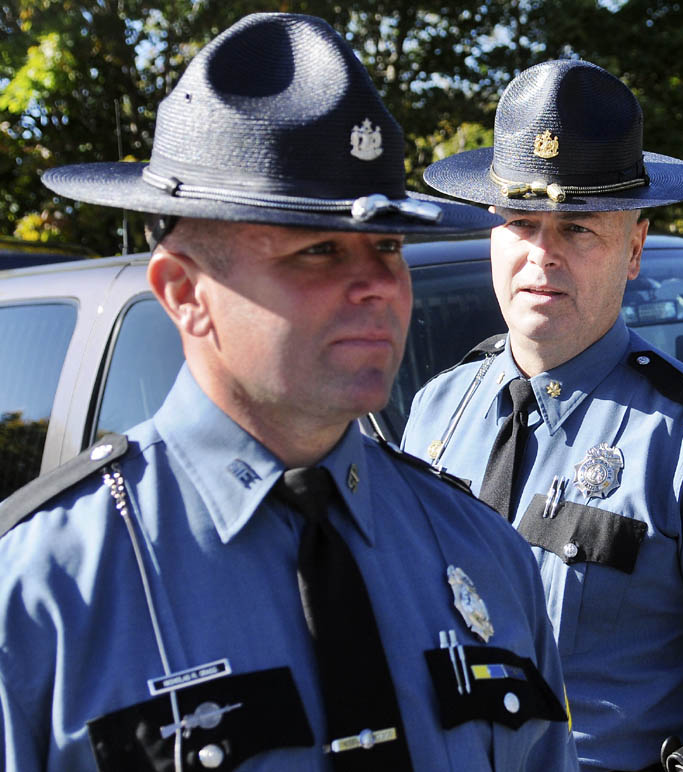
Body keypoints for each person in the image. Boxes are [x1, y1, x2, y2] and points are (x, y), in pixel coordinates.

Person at [0, 14, 579, 771]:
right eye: (318, 251)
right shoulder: (46, 592)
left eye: (389, 248)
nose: (376, 285)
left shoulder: (483, 550)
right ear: (184, 293)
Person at [402, 59, 683, 772]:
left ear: (634, 249)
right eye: (522, 222)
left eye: (579, 230)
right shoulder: (437, 412)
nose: (542, 256)